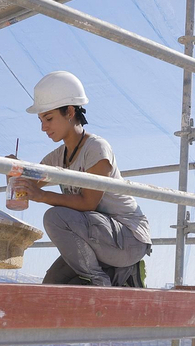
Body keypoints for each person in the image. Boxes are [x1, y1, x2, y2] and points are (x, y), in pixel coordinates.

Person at [18, 71, 151, 287]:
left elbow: (88, 203)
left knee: (55, 217)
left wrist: (42, 196)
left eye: (49, 118)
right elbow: (29, 186)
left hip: (128, 239)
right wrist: (15, 173)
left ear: (70, 111)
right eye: (41, 120)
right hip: (98, 236)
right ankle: (109, 275)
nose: (43, 127)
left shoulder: (96, 148)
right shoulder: (57, 157)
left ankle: (100, 282)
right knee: (52, 284)